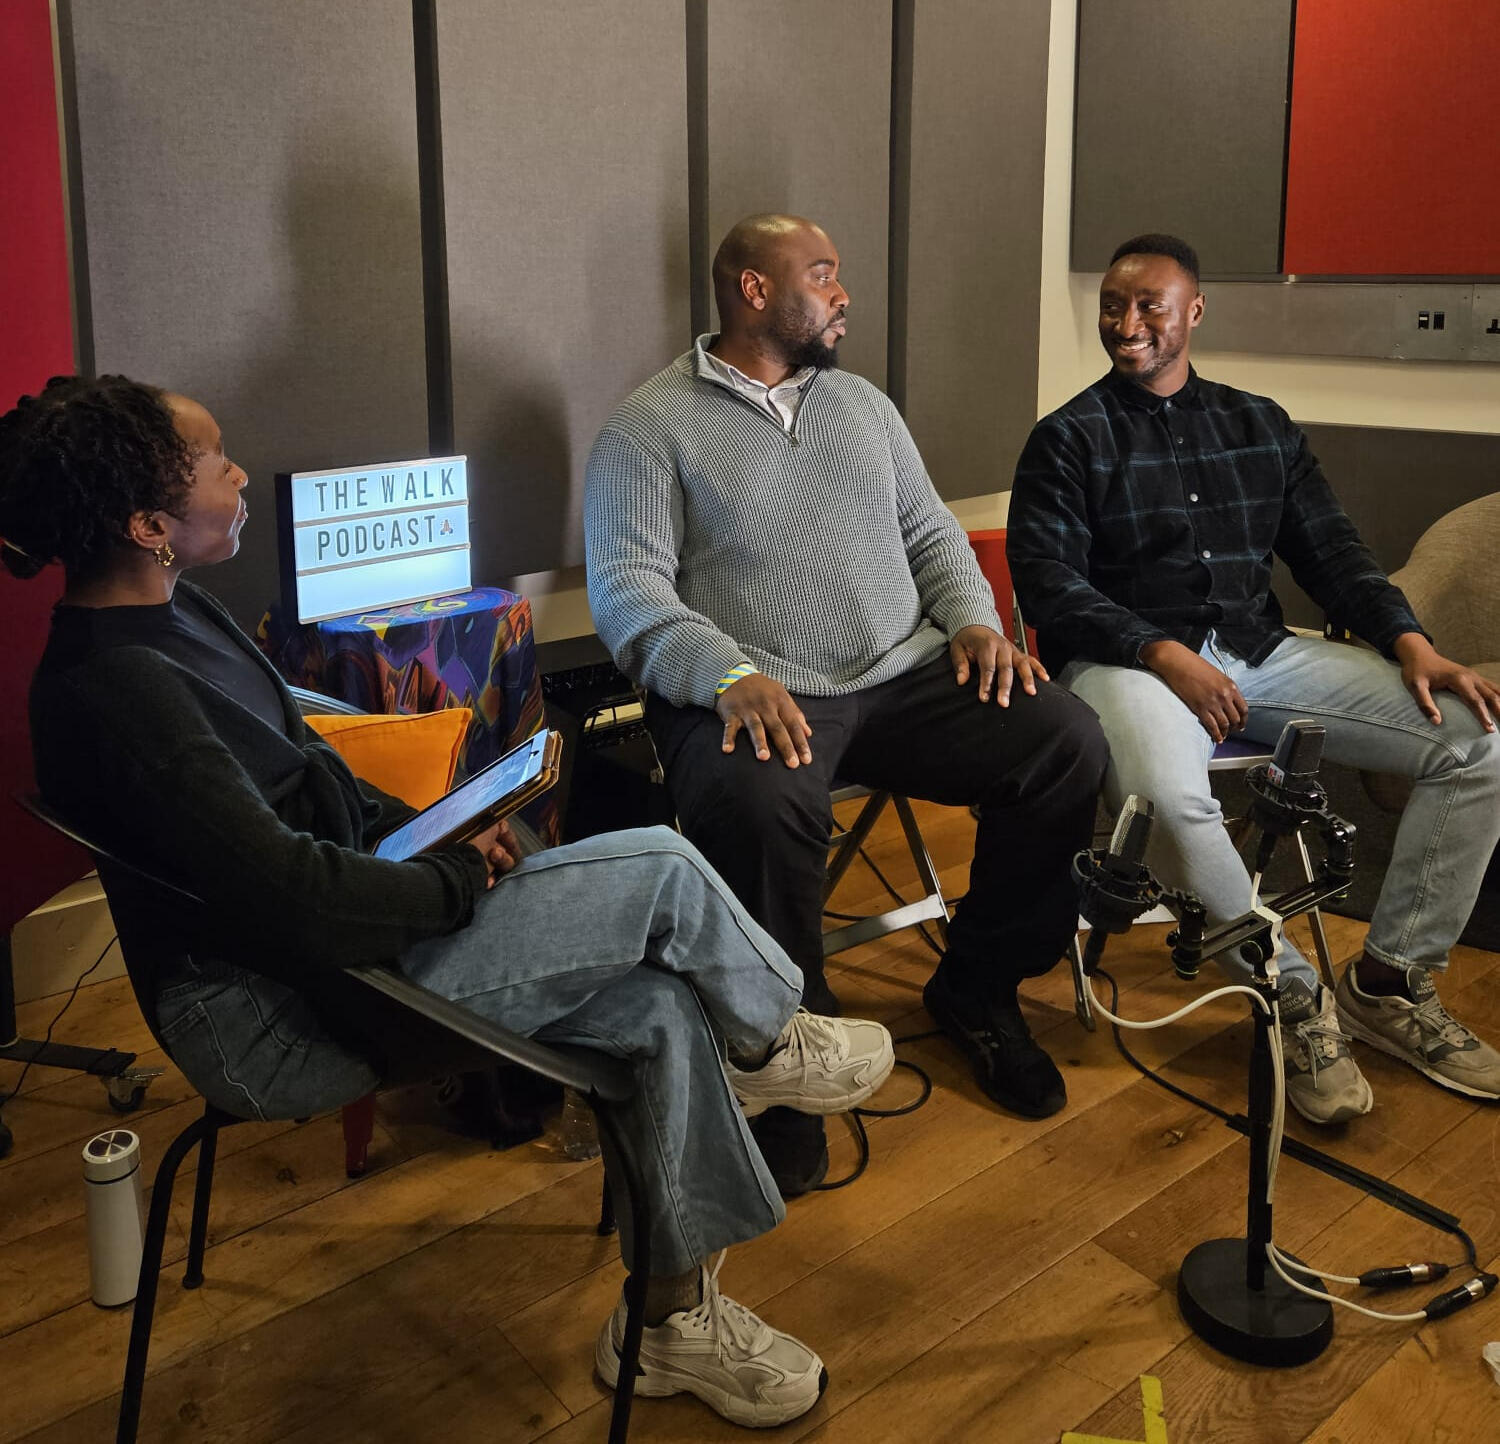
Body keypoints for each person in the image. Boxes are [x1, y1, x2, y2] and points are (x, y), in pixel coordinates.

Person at [0, 373, 899, 1430]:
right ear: (149, 524)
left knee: (660, 1008)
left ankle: (669, 1321)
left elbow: (312, 779)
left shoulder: (178, 614)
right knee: (661, 865)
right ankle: (769, 1036)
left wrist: (434, 827)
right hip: (278, 1013)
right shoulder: (118, 692)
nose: (241, 473)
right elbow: (291, 897)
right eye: (215, 461)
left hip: (334, 942)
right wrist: (453, 878)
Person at [584, 213, 1109, 1192]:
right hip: (756, 687)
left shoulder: (863, 404)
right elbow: (628, 594)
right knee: (756, 801)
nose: (843, 294)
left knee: (1066, 740)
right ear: (754, 290)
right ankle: (785, 1054)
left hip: (903, 671)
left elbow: (933, 536)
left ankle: (979, 987)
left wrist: (974, 623)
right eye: (822, 274)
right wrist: (727, 675)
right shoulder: (647, 427)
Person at [1007, 233, 1500, 1126]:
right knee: (1163, 799)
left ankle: (1388, 982)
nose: (1126, 322)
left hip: (1259, 652)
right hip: (1126, 664)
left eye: (1149, 305)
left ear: (1194, 311)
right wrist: (1162, 652)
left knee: (1476, 741)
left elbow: (1332, 552)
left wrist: (1409, 641)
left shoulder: (1260, 424)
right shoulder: (1067, 437)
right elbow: (1049, 585)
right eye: (1113, 305)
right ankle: (1294, 999)